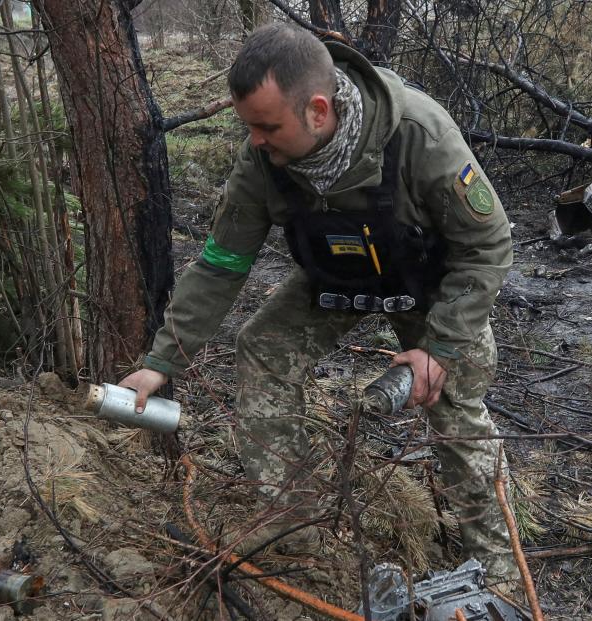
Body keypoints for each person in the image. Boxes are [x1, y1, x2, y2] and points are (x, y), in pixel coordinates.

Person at [118, 23, 519, 587]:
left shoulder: (419, 135)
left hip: (431, 283)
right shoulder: (261, 160)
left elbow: (487, 246)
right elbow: (221, 264)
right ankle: (295, 530)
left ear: (318, 111)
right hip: (336, 276)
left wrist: (442, 347)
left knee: (454, 408)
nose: (255, 140)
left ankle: (501, 574)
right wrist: (161, 362)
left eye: (266, 126)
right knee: (261, 347)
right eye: (248, 126)